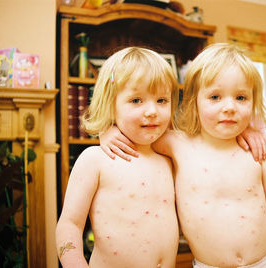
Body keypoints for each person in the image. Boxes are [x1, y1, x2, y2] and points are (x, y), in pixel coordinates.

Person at [100, 43, 266, 268]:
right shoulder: (176, 144)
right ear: (194, 102)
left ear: (253, 102)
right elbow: (138, 130)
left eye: (241, 98)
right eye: (215, 97)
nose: (230, 107)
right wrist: (108, 130)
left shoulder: (259, 149)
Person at [55, 47, 180, 268]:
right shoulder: (96, 159)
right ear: (110, 105)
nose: (152, 111)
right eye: (136, 100)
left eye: (162, 100)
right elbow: (69, 224)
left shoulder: (170, 157)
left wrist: (250, 130)